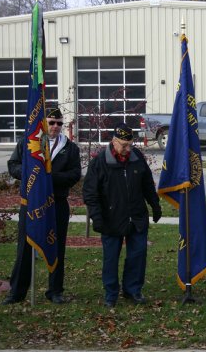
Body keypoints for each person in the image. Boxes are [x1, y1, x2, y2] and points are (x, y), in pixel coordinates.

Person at [3, 106, 81, 305]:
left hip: (57, 204)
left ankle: (55, 290)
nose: (55, 127)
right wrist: (31, 174)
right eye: (51, 122)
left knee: (57, 247)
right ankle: (17, 291)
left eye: (59, 123)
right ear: (43, 123)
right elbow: (13, 165)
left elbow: (74, 175)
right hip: (31, 204)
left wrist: (49, 178)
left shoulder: (70, 148)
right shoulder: (28, 142)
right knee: (25, 247)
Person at [82, 123, 162, 308]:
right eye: (123, 145)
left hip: (137, 216)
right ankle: (111, 293)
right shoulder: (100, 162)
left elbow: (147, 184)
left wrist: (155, 205)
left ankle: (133, 290)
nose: (127, 149)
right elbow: (90, 193)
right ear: (113, 141)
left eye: (130, 145)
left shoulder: (137, 158)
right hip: (111, 219)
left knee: (138, 255)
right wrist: (97, 217)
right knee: (111, 258)